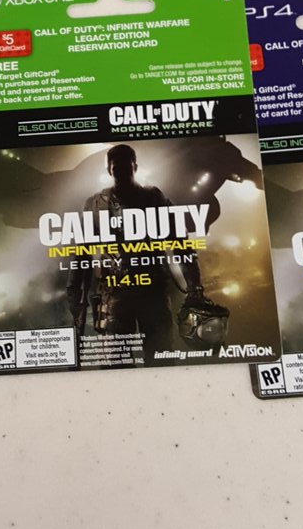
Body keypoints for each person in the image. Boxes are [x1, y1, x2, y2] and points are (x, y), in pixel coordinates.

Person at [66, 144, 223, 364]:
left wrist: (195, 286)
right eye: (116, 168)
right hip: (115, 293)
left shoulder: (154, 199)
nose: (121, 172)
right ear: (109, 170)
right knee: (116, 362)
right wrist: (74, 293)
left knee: (160, 357)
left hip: (152, 292)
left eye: (126, 167)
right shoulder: (95, 204)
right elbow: (81, 252)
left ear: (135, 167)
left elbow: (181, 244)